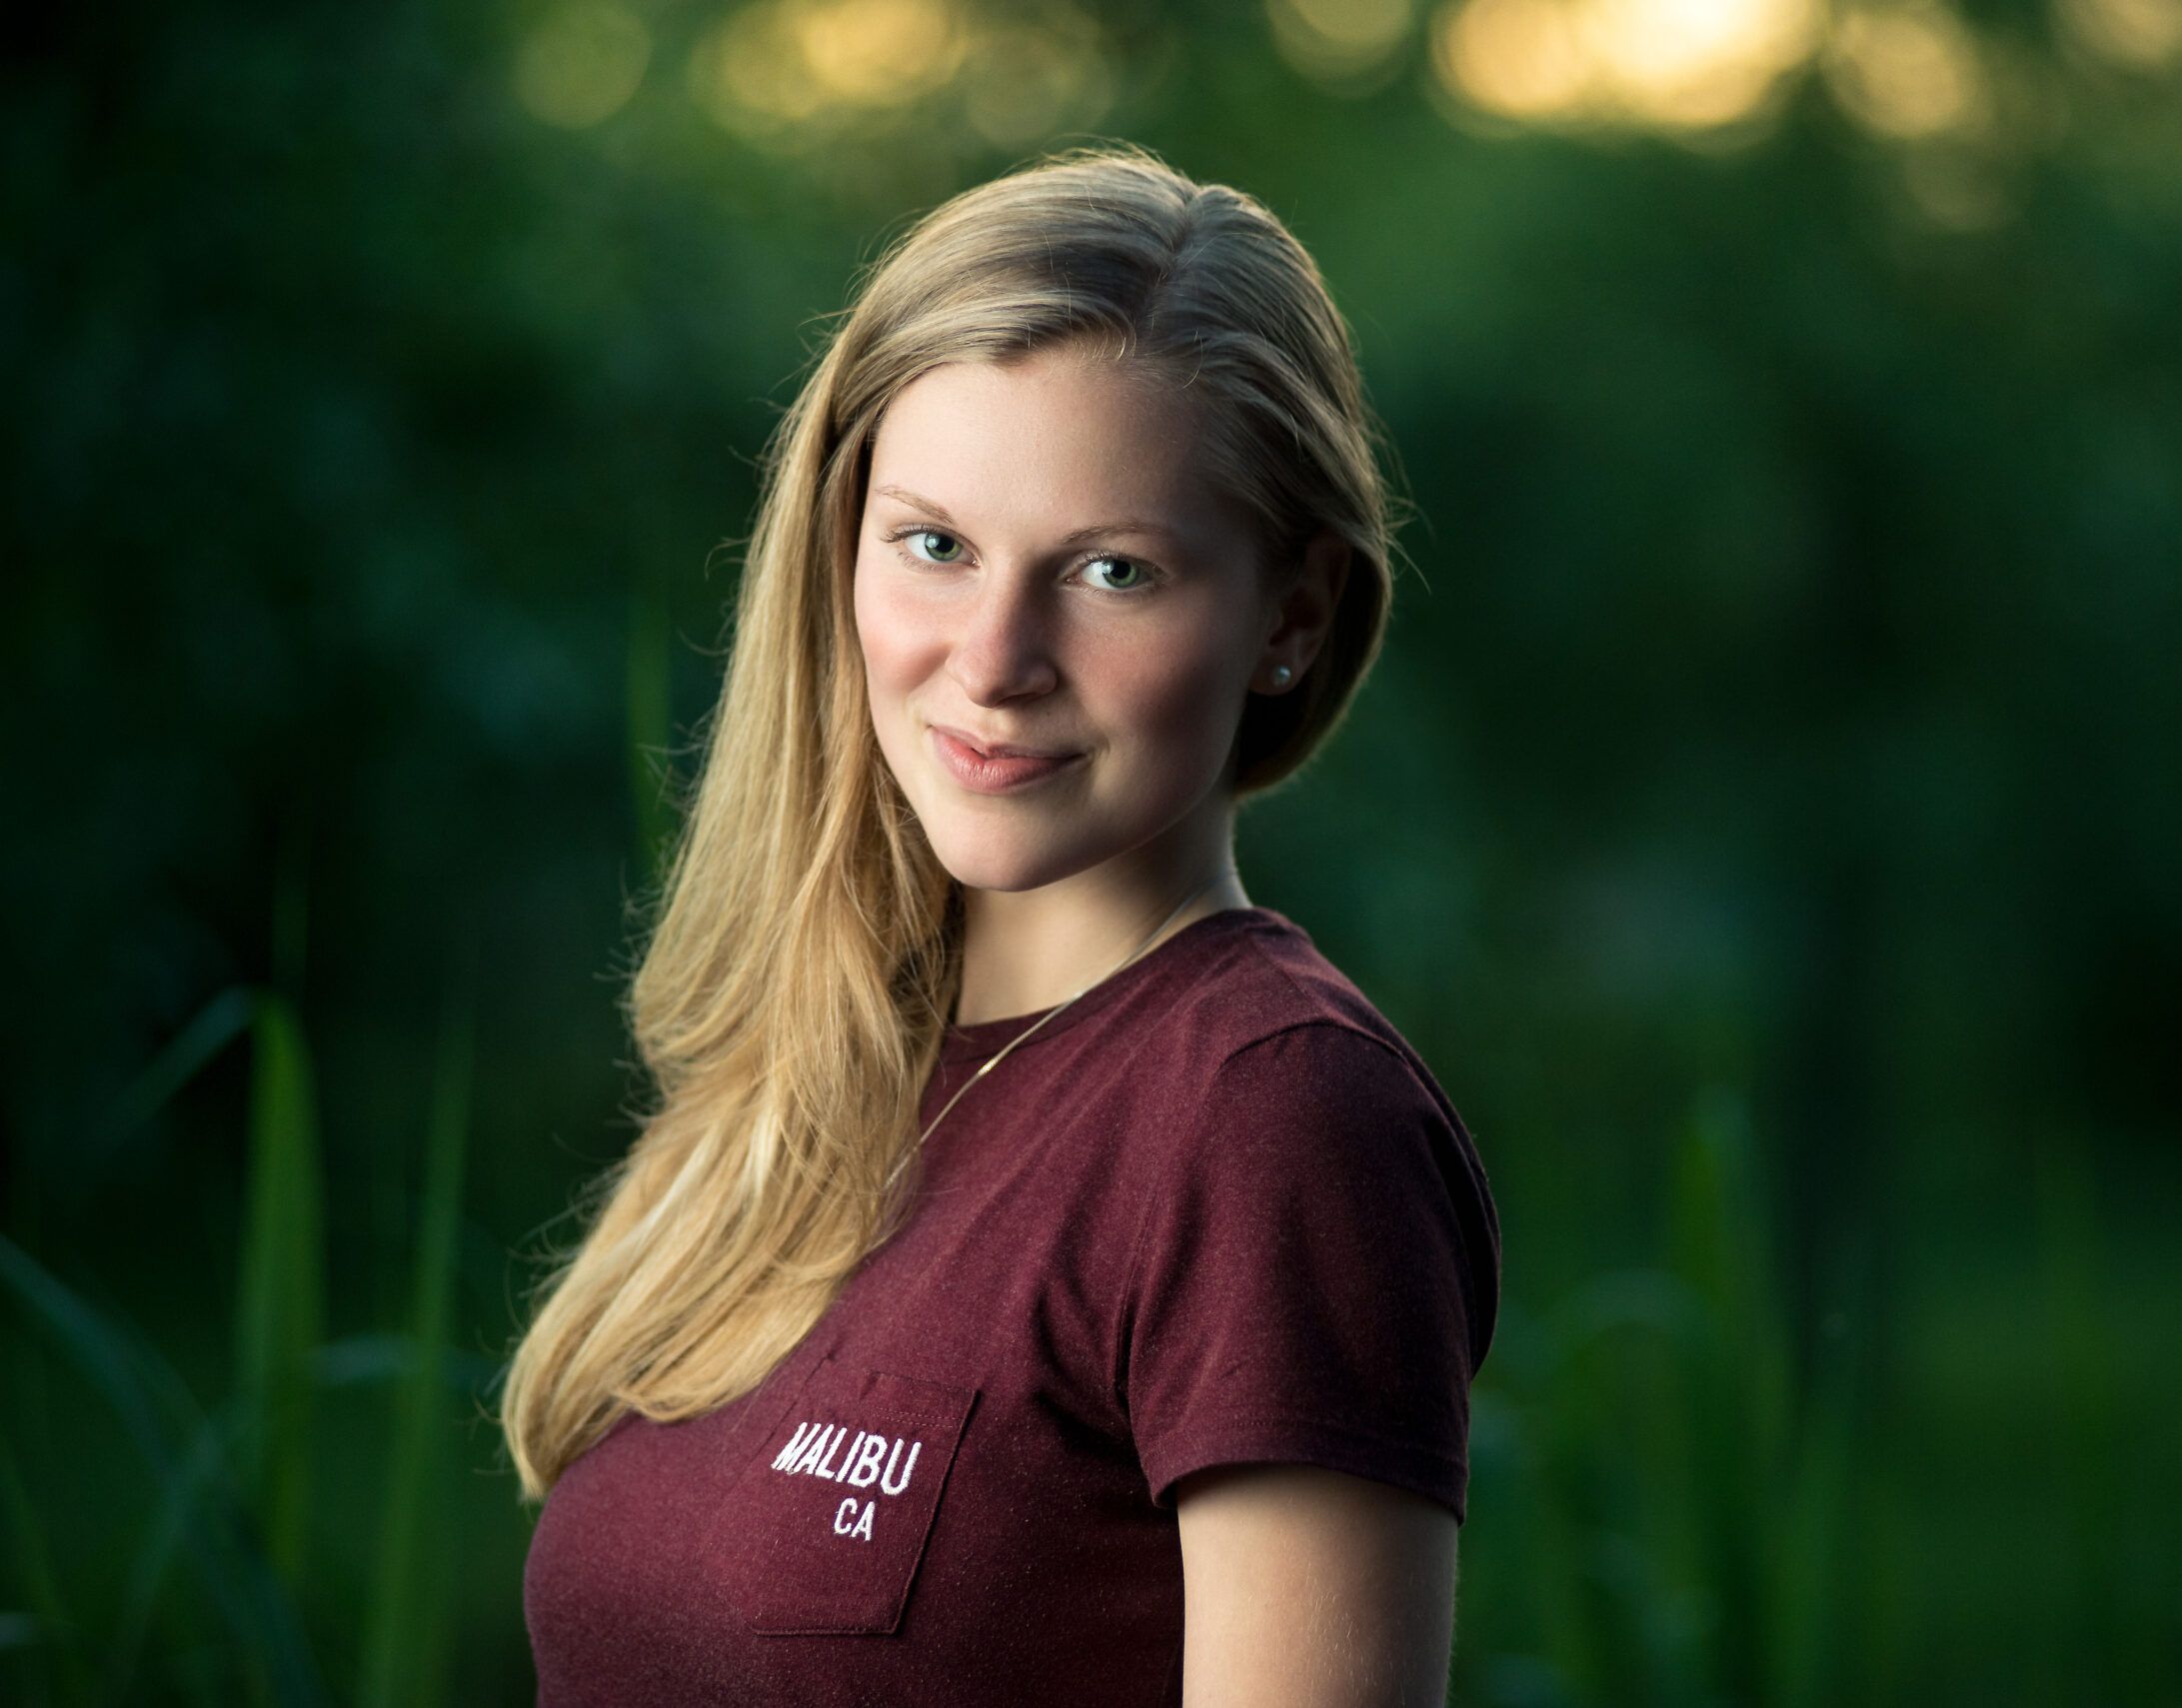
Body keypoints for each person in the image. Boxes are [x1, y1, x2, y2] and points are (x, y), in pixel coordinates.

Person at [503, 141, 1501, 1707]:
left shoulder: (1275, 1119)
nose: (993, 659)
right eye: (935, 545)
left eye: (1114, 571)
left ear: (1290, 617)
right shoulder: (811, 1076)